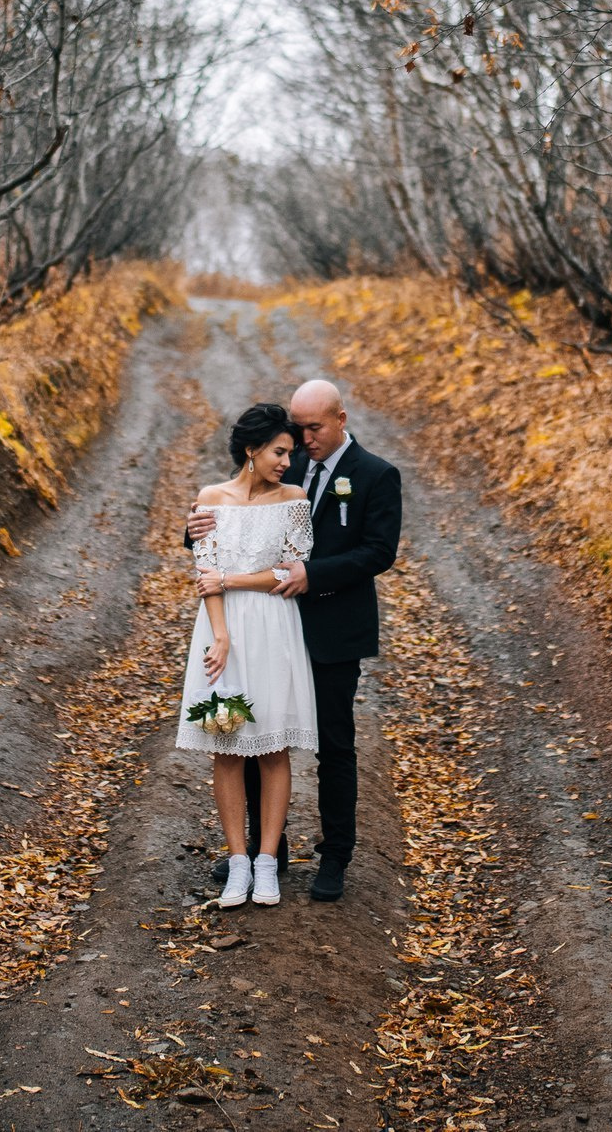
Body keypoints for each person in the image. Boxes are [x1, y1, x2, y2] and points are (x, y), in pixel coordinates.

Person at [186, 378, 401, 901]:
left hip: (332, 627)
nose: (303, 441)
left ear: (340, 418)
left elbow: (378, 552)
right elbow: (229, 525)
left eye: (314, 428)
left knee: (334, 744)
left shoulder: (375, 475)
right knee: (254, 730)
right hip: (268, 624)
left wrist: (314, 574)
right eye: (297, 430)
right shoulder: (286, 460)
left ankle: (335, 858)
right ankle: (266, 852)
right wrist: (192, 528)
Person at [176, 403, 319, 908]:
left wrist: (234, 581)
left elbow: (290, 573)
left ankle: (267, 863)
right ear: (252, 450)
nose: (287, 461)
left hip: (275, 626)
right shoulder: (210, 499)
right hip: (224, 630)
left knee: (273, 748)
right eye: (280, 452)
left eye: (291, 453)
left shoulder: (293, 499)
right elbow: (205, 572)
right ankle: (237, 862)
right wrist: (220, 636)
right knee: (227, 743)